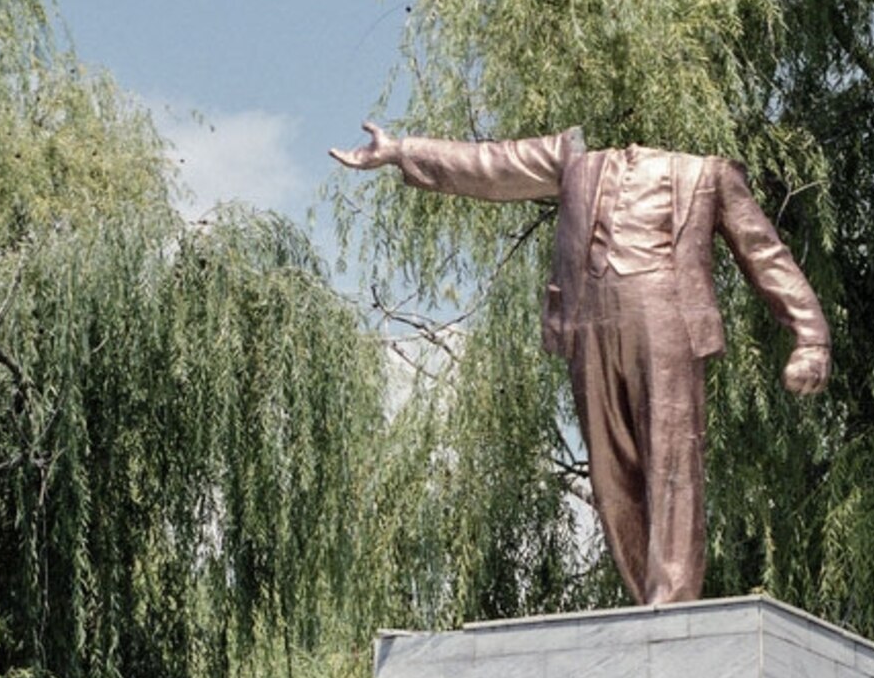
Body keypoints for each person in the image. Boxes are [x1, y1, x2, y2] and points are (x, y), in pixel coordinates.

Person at [332, 122, 829, 605]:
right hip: (589, 324)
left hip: (667, 319)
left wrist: (810, 336)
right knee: (611, 480)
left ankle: (672, 599)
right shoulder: (574, 163)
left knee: (672, 463)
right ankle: (646, 602)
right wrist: (401, 150)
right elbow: (492, 164)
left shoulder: (708, 174)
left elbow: (765, 253)